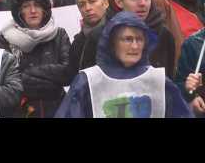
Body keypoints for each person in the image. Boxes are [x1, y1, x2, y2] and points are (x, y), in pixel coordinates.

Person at [55, 11, 193, 118]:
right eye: (127, 39)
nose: (134, 46)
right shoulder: (88, 81)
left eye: (139, 39)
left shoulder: (158, 80)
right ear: (112, 43)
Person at [0, 0, 70, 117]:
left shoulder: (59, 34)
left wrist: (29, 73)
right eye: (26, 6)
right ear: (19, 11)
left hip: (58, 110)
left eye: (37, 5)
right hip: (21, 112)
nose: (33, 10)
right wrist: (50, 80)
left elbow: (67, 73)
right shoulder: (5, 39)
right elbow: (8, 82)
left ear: (44, 9)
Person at [64, 0, 109, 85]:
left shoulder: (118, 32)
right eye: (82, 4)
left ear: (105, 3)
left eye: (92, 1)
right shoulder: (78, 42)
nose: (87, 8)